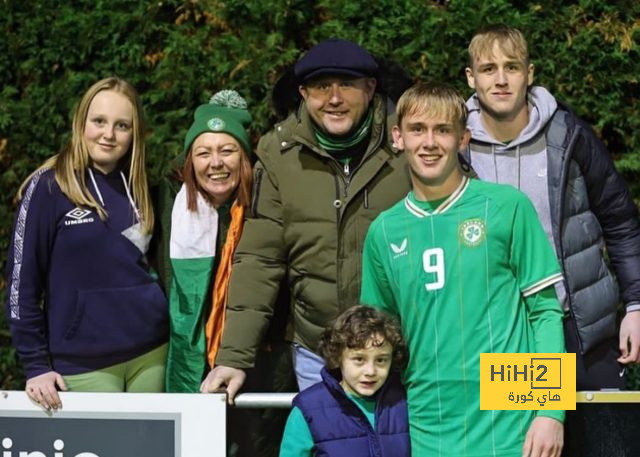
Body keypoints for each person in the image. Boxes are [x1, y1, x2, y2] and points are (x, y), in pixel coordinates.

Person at [360, 82, 566, 456]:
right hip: (426, 420)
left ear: (463, 139)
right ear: (397, 137)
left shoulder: (507, 207)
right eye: (417, 130)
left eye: (443, 130)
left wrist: (551, 412)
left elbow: (546, 312)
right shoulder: (384, 231)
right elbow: (378, 333)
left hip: (510, 420)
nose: (429, 142)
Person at [463, 25, 640, 454]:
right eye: (488, 69)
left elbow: (620, 220)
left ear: (530, 73)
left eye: (511, 67)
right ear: (471, 78)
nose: (500, 79)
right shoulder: (455, 147)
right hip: (508, 339)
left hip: (581, 329)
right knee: (536, 449)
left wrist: (636, 305)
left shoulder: (570, 136)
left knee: (609, 448)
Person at [200, 38, 412, 398]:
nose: (333, 98)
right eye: (321, 86)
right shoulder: (278, 153)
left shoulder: (407, 144)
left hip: (398, 350)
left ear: (370, 87)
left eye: (346, 84)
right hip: (317, 351)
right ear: (303, 92)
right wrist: (233, 357)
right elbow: (260, 260)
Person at [5, 77, 168, 410]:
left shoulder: (139, 186)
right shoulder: (50, 186)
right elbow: (21, 282)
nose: (109, 134)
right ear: (81, 123)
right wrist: (35, 364)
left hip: (152, 355)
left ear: (134, 133)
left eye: (122, 125)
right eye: (99, 122)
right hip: (84, 364)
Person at [154, 89, 253, 393]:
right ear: (189, 161)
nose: (216, 163)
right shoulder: (166, 205)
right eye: (203, 152)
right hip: (180, 353)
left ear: (244, 158)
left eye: (227, 150)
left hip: (249, 359)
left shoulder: (265, 206)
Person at [279, 305, 410, 457]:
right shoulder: (309, 409)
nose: (370, 371)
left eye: (381, 360)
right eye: (359, 359)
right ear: (338, 356)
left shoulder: (403, 402)